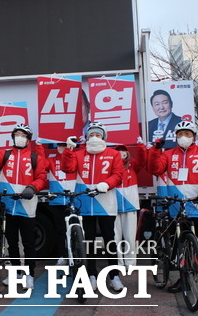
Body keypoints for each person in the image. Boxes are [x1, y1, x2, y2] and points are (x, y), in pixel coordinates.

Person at [149, 121, 198, 301]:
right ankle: (183, 279)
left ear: (194, 136)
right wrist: (155, 150)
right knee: (180, 244)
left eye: (188, 134)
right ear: (175, 136)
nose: (184, 137)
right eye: (180, 133)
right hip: (178, 205)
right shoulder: (168, 154)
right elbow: (155, 169)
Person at [0, 124, 48, 290]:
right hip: (8, 205)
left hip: (27, 206)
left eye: (23, 134)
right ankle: (17, 272)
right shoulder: (5, 154)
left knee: (28, 243)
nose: (19, 137)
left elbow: (42, 178)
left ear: (28, 139)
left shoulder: (35, 157)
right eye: (17, 134)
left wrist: (32, 188)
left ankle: (30, 275)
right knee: (11, 243)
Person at [62, 122, 125, 292]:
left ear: (104, 137)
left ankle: (114, 276)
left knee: (109, 238)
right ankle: (92, 275)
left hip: (106, 203)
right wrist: (68, 150)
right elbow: (67, 168)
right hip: (85, 203)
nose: (95, 138)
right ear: (86, 138)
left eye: (98, 135)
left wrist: (107, 183)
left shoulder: (113, 154)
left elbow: (118, 175)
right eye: (91, 135)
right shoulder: (78, 154)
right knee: (88, 240)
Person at [34, 140, 77, 265]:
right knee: (60, 230)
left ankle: (75, 254)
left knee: (75, 230)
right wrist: (39, 147)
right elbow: (40, 163)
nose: (61, 147)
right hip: (57, 201)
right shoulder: (51, 160)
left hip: (73, 200)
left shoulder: (75, 158)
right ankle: (62, 255)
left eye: (63, 144)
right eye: (59, 145)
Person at [114, 137, 147, 268]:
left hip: (130, 205)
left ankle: (130, 263)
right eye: (119, 151)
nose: (121, 153)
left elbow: (143, 161)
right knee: (115, 238)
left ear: (127, 153)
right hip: (113, 206)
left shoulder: (132, 164)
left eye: (124, 151)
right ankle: (118, 263)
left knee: (130, 237)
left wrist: (141, 147)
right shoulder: (110, 165)